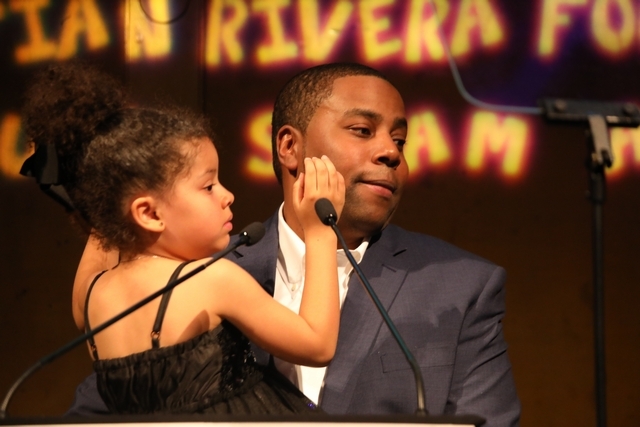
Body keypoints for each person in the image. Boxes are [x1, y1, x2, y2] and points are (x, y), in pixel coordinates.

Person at [66, 63, 521, 426]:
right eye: (363, 130)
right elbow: (102, 410)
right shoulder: (206, 274)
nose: (392, 152)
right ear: (289, 146)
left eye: (400, 140)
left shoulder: (464, 286)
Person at [21, 62, 346, 415]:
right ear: (149, 213)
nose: (227, 195)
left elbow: (104, 228)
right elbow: (317, 344)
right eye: (208, 186)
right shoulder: (212, 279)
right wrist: (320, 230)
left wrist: (110, 194)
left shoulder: (91, 296)